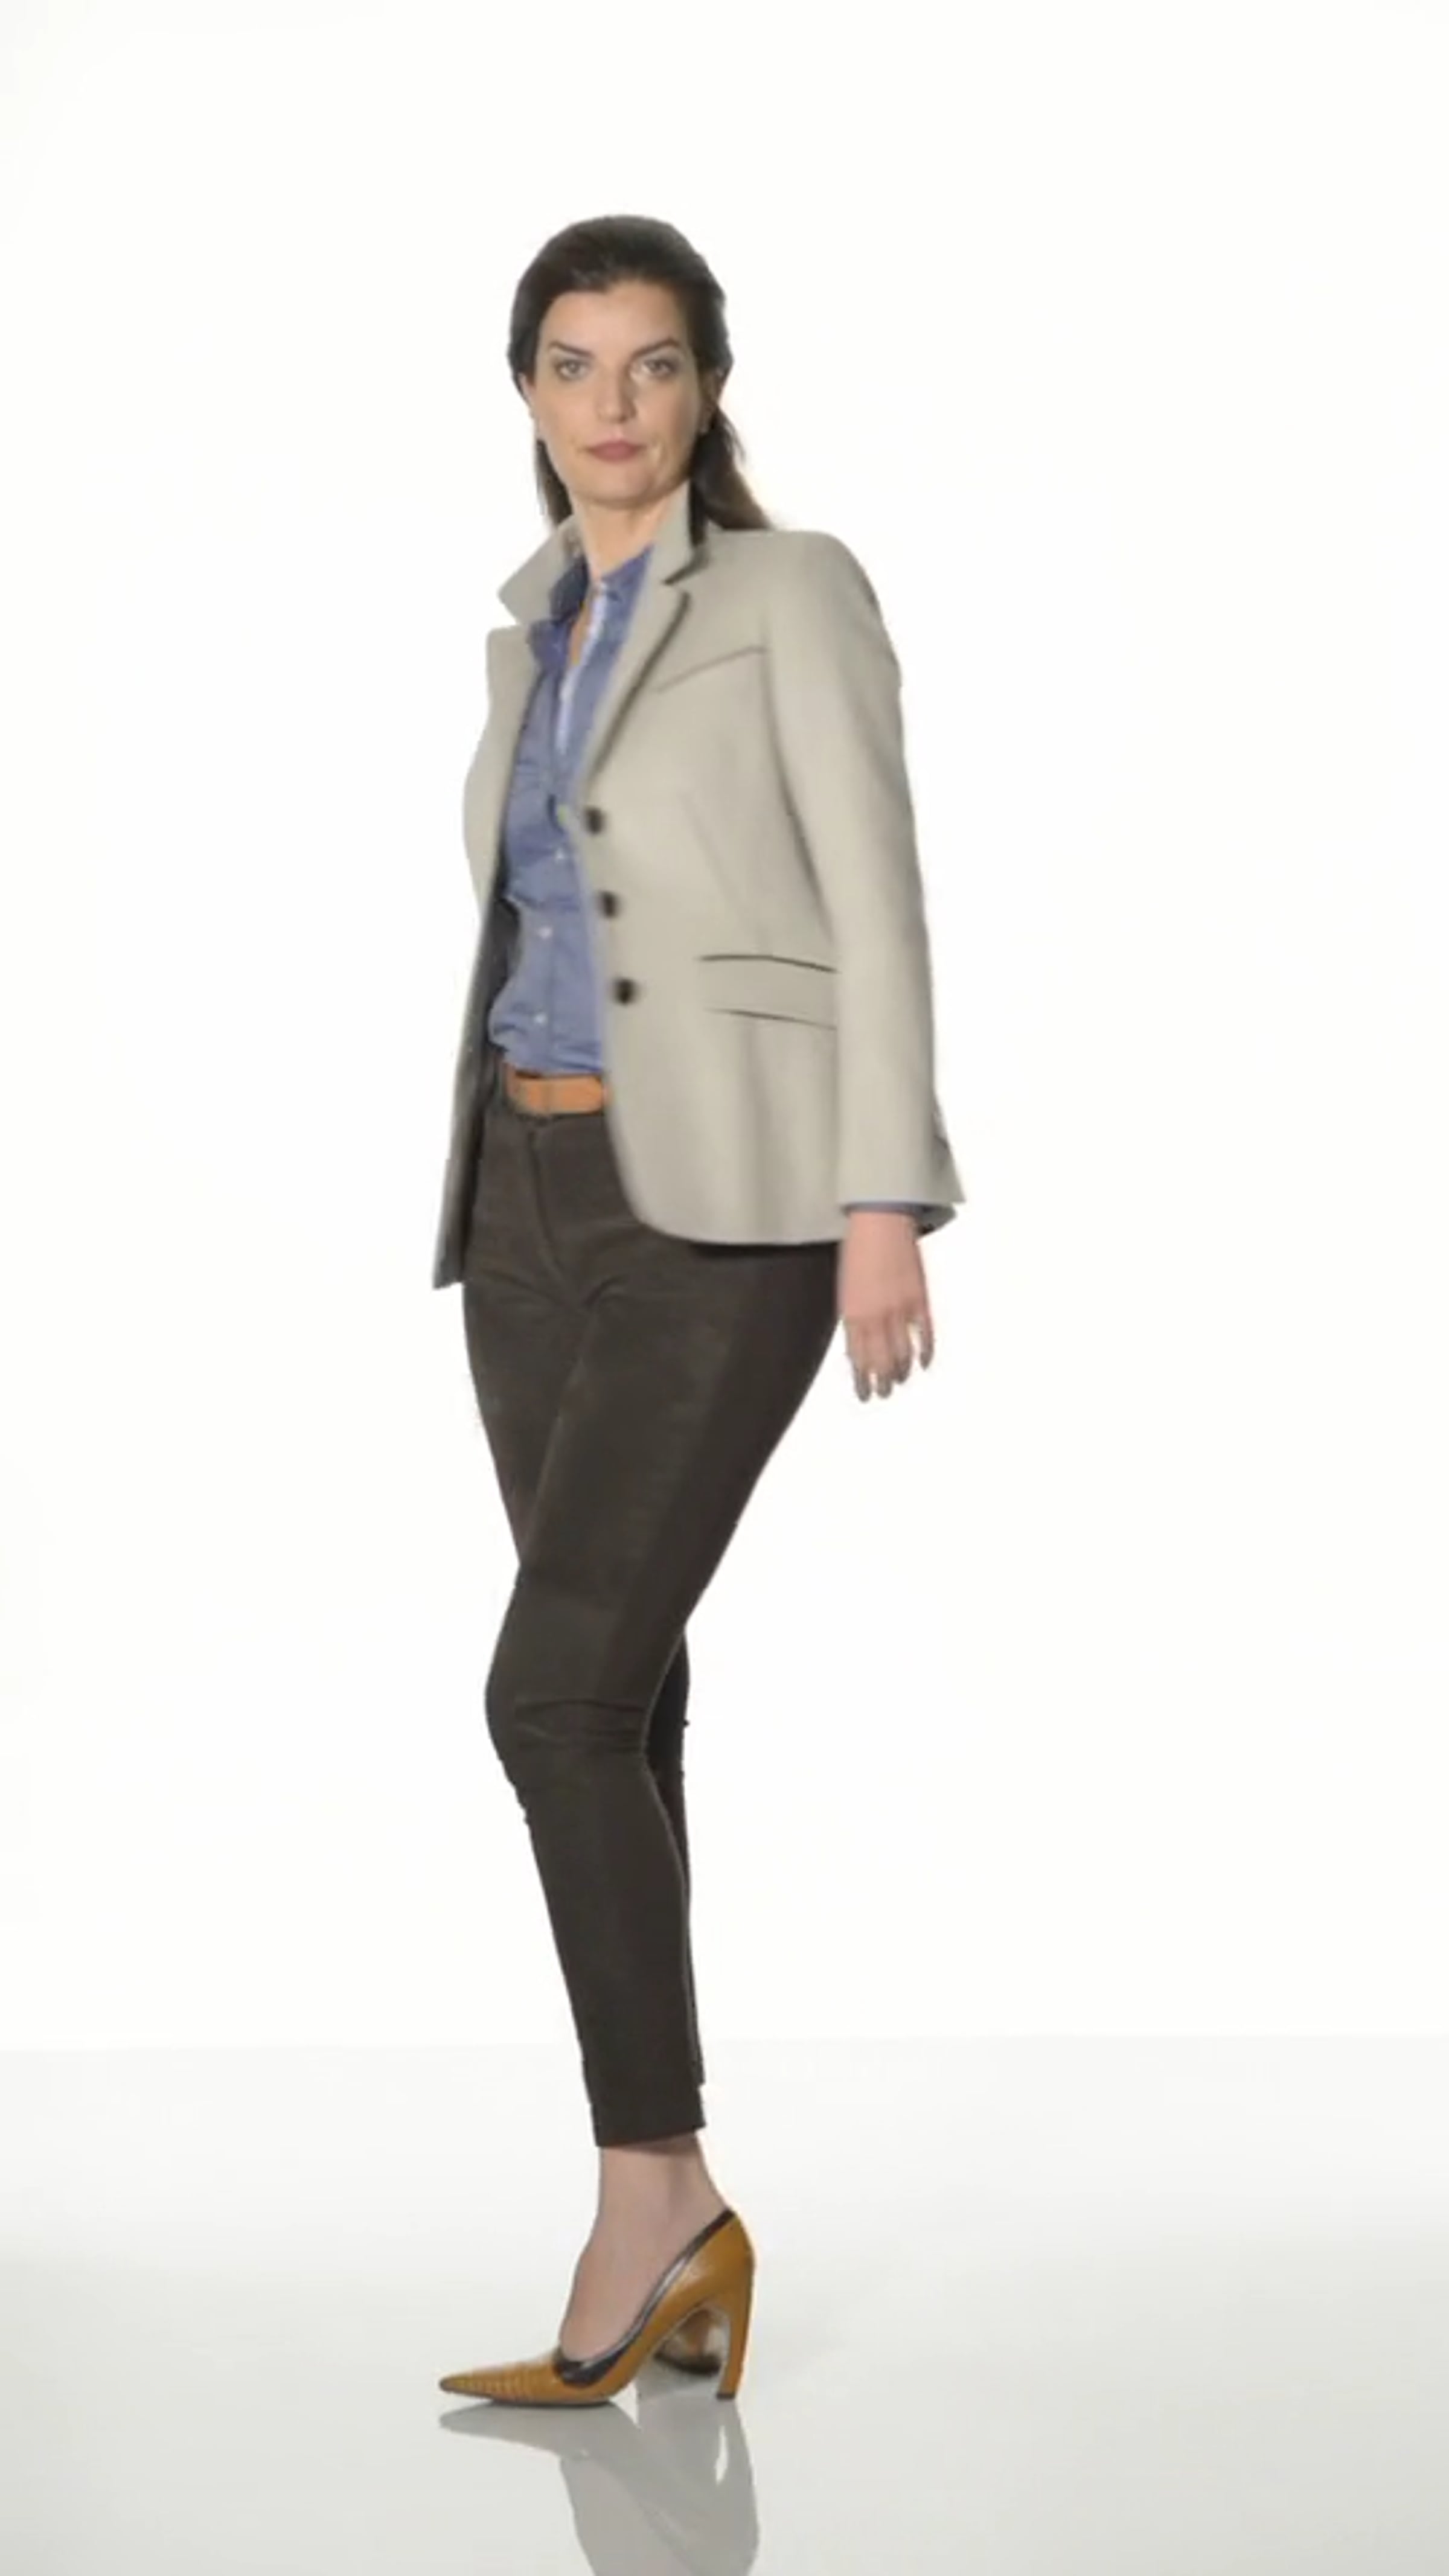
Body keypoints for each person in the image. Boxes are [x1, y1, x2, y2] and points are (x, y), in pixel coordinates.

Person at [433, 214, 965, 2408]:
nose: (614, 404)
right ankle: (680, 2203)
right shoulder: (531, 626)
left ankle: (646, 2189)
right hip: (527, 1194)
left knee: (546, 1694)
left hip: (729, 1210)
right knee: (619, 1689)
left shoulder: (787, 593)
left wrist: (883, 1196)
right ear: (528, 392)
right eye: (572, 365)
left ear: (708, 385)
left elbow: (874, 891)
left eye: (652, 363)